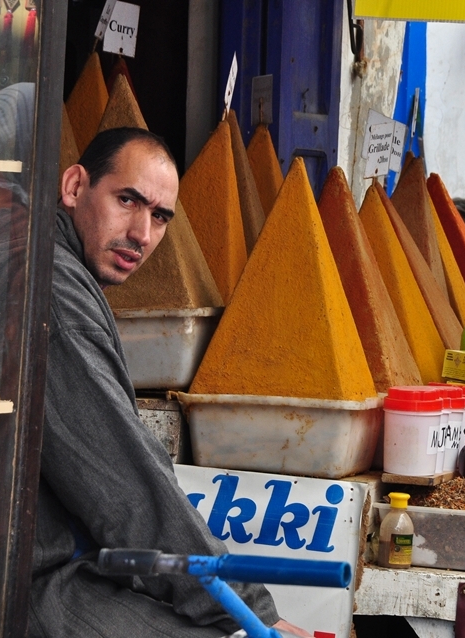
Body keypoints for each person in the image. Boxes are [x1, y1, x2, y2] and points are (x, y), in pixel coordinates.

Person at [27, 127, 308, 637]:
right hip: (17, 581)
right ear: (74, 187)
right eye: (127, 200)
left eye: (159, 217)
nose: (142, 233)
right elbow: (125, 488)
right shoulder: (54, 292)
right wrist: (251, 617)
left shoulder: (55, 265)